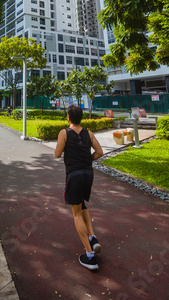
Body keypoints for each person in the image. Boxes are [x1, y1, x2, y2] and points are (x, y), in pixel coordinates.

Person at [55, 104, 103, 271]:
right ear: (81, 117)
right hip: (88, 174)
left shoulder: (64, 132)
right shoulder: (89, 133)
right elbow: (99, 152)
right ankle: (93, 237)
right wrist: (87, 159)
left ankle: (90, 256)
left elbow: (57, 154)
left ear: (68, 117)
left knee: (76, 213)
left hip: (74, 175)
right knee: (82, 205)